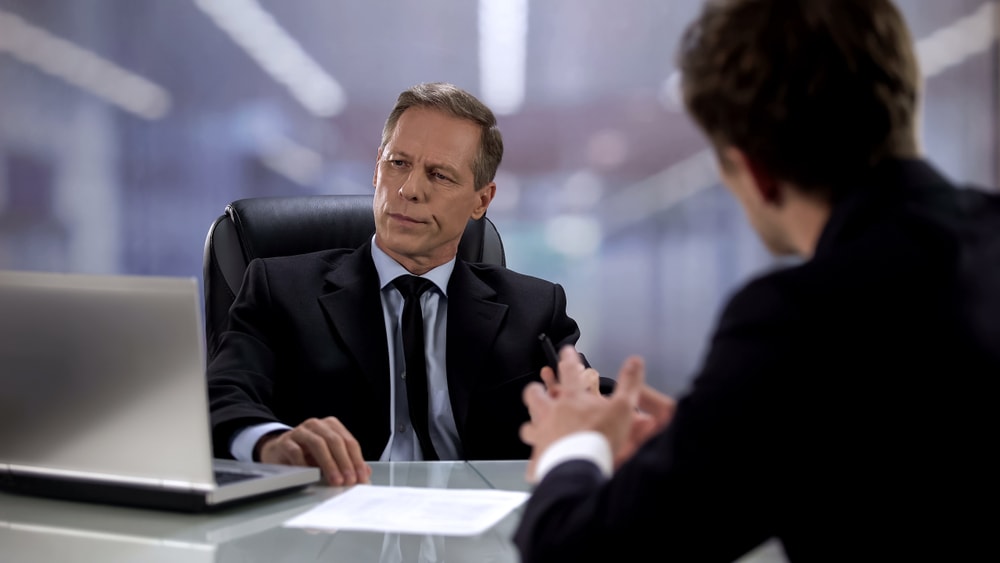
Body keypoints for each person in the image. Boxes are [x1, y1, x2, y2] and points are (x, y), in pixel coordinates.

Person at [513, 0, 1000, 561]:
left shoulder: (798, 321)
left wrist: (571, 445)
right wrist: (720, 427)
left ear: (758, 173)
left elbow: (570, 552)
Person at [207, 82, 597, 487]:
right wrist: (269, 442)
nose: (409, 190)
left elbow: (590, 397)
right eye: (397, 163)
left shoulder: (532, 308)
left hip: (476, 530)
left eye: (439, 175)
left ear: (482, 200)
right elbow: (221, 395)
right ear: (377, 168)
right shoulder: (280, 289)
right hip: (333, 522)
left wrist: (598, 412)